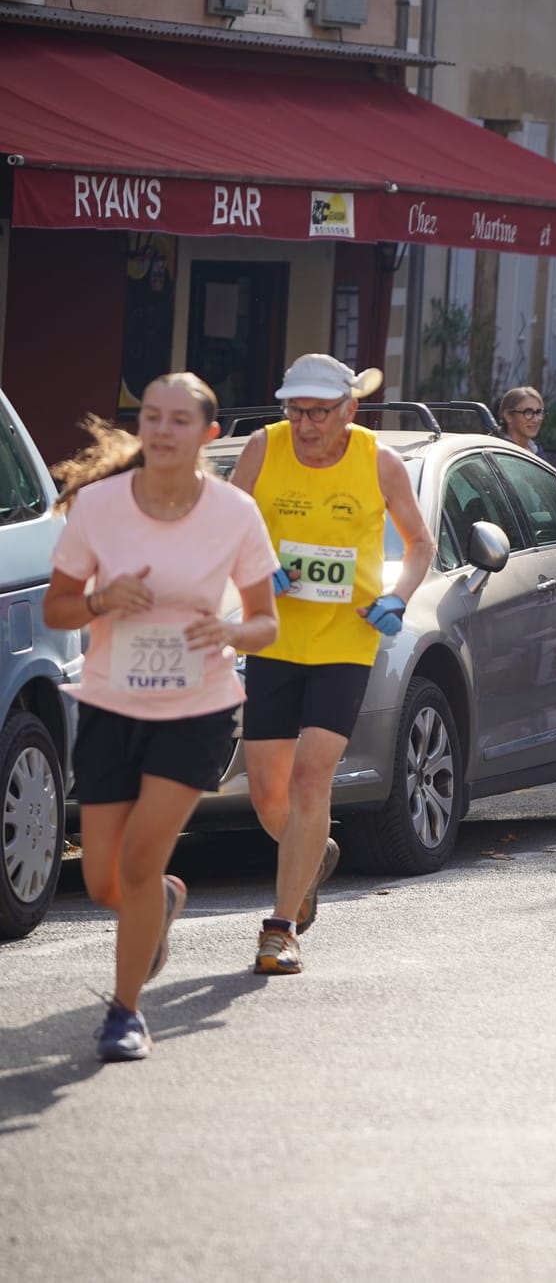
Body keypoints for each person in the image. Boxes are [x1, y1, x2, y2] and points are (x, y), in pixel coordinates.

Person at [43, 375, 281, 1059]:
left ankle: (124, 1013)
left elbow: (265, 620)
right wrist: (98, 601)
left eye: (179, 419)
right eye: (151, 416)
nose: (161, 429)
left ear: (208, 434)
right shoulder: (100, 505)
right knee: (103, 881)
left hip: (196, 709)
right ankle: (164, 902)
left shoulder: (234, 512)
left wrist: (231, 634)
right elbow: (59, 607)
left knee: (141, 861)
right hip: (112, 705)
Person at [231, 354, 435, 975]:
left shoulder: (378, 461)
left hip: (347, 641)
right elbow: (226, 529)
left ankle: (280, 927)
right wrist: (261, 569)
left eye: (318, 412)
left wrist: (398, 596)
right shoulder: (262, 450)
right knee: (268, 795)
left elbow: (420, 542)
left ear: (348, 410)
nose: (305, 424)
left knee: (310, 778)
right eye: (295, 410)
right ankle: (310, 854)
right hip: (271, 637)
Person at [495, 386, 551, 461]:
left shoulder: (536, 451)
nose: (535, 420)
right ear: (508, 416)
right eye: (528, 412)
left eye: (538, 412)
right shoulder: (498, 452)